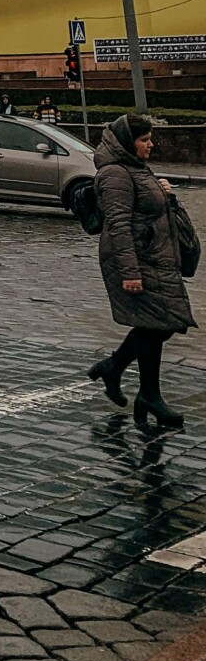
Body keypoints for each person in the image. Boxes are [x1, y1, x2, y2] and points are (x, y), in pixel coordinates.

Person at [87, 113, 194, 429]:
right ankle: (144, 391)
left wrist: (166, 193)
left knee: (160, 325)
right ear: (127, 143)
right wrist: (129, 272)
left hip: (155, 260)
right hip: (136, 262)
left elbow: (151, 209)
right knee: (159, 324)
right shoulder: (115, 174)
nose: (151, 144)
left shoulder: (136, 169)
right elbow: (118, 225)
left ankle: (120, 372)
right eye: (144, 139)